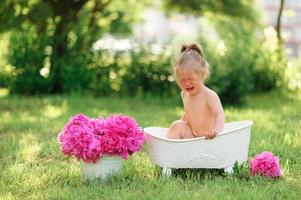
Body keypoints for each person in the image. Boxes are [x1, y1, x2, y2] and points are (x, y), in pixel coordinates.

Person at [167, 44, 225, 139]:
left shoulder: (209, 95)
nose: (187, 83)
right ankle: (171, 148)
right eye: (182, 80)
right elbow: (189, 113)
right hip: (192, 136)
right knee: (176, 125)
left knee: (177, 125)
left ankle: (174, 148)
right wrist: (180, 124)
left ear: (202, 74)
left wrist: (215, 131)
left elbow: (219, 114)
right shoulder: (184, 94)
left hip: (207, 138)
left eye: (190, 79)